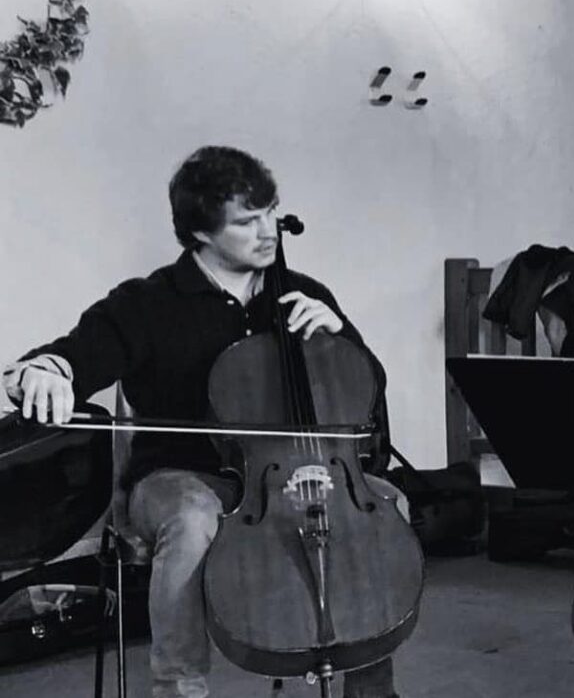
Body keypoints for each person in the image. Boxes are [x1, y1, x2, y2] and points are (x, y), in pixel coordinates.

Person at [2, 145, 401, 698]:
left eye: (271, 213)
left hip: (295, 472)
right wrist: (45, 371)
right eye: (246, 221)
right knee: (192, 517)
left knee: (388, 504)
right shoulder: (147, 303)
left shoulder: (302, 294)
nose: (268, 232)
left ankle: (371, 689)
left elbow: (367, 391)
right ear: (199, 233)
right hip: (178, 477)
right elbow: (72, 355)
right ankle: (179, 688)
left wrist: (342, 337)